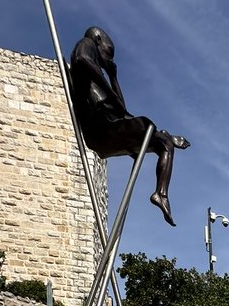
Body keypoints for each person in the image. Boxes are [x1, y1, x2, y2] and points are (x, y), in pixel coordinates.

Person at [69, 27, 190, 227]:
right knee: (150, 129)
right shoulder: (87, 44)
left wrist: (113, 77)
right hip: (101, 128)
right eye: (108, 52)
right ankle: (164, 150)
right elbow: (82, 59)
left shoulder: (98, 74)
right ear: (98, 39)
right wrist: (108, 88)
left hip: (109, 127)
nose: (108, 59)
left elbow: (122, 109)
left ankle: (161, 192)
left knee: (163, 143)